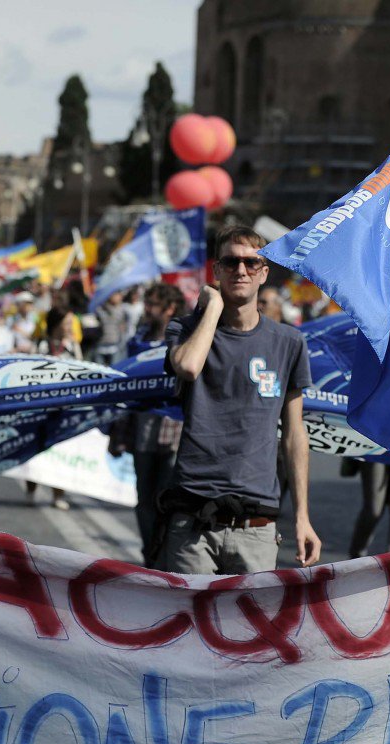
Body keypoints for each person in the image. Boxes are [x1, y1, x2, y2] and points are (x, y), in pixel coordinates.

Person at [161, 224, 320, 574]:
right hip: (193, 518)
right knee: (188, 627)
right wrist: (213, 306)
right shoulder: (184, 330)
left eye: (251, 263)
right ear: (216, 270)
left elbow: (295, 435)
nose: (241, 271)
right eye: (231, 263)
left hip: (257, 522)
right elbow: (188, 366)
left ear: (264, 273)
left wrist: (303, 518)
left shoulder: (289, 342)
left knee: (254, 629)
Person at [108, 282, 186, 566]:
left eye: (154, 304)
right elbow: (126, 385)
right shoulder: (138, 339)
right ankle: (149, 554)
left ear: (170, 308)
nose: (147, 309)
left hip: (173, 433)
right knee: (143, 501)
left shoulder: (184, 338)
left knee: (166, 500)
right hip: (143, 432)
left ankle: (165, 553)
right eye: (147, 303)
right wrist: (117, 432)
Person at [27, 305, 81, 510]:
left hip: (65, 407)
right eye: (67, 323)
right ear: (56, 325)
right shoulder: (40, 344)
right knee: (36, 447)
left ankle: (58, 494)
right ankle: (31, 489)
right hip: (41, 406)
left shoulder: (73, 346)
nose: (70, 327)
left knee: (62, 448)